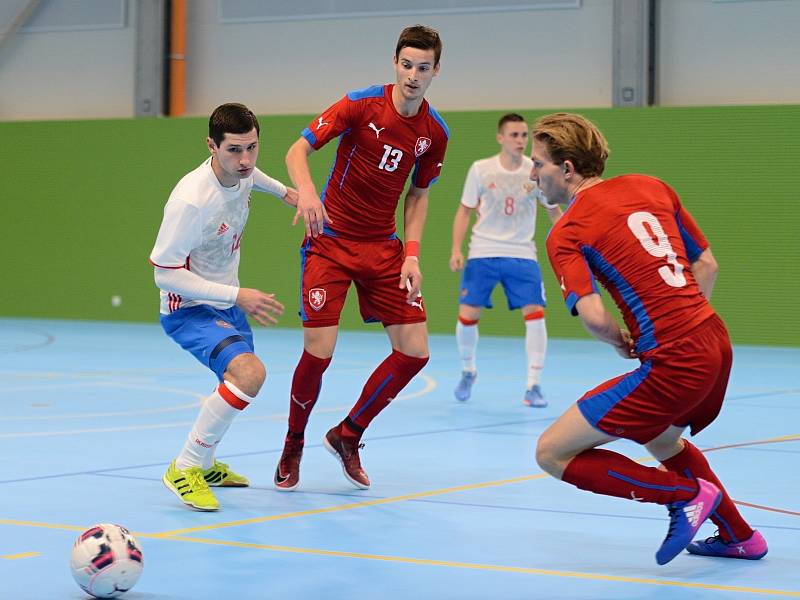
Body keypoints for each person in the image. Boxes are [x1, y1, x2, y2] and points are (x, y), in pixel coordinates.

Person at [531, 112, 767, 564]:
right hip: (715, 341)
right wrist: (680, 321)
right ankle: (740, 536)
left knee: (552, 452)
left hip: (677, 360)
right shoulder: (650, 185)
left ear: (566, 169)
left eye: (538, 163)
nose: (532, 173)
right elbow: (708, 266)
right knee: (662, 441)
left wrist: (621, 339)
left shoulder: (568, 230)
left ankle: (683, 496)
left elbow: (595, 316)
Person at [274, 25, 449, 492]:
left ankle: (348, 434)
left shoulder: (434, 133)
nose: (413, 75)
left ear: (436, 71)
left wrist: (412, 255)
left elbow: (418, 195)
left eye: (423, 67)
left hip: (384, 247)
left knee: (415, 351)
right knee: (319, 353)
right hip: (330, 242)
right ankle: (293, 442)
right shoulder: (360, 103)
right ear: (395, 63)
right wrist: (309, 193)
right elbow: (297, 149)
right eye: (406, 64)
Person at [150, 103, 298, 511]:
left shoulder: (242, 171)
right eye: (234, 150)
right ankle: (185, 466)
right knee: (249, 374)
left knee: (240, 382)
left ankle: (208, 462)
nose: (246, 159)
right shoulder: (191, 202)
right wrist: (238, 296)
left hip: (224, 301)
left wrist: (288, 194)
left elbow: (253, 178)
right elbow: (163, 273)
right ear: (211, 146)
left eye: (252, 147)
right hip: (190, 309)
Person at [449, 113, 561, 407]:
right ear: (501, 138)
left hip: (522, 254)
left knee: (535, 314)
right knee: (467, 315)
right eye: (514, 135)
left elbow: (552, 211)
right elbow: (464, 210)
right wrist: (456, 249)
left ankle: (533, 385)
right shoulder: (480, 169)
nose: (520, 141)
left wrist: (570, 241)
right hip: (483, 252)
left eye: (524, 135)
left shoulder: (535, 171)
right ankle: (468, 370)